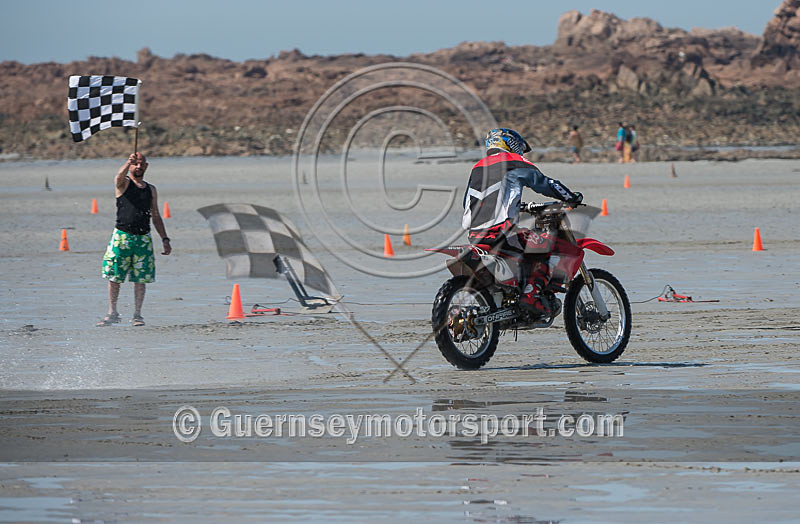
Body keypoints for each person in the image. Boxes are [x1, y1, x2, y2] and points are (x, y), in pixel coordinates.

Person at [462, 128, 583, 316]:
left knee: (524, 248)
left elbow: (472, 202)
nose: (520, 151)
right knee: (544, 247)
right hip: (500, 233)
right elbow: (544, 183)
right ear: (509, 143)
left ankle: (510, 293)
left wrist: (518, 205)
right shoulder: (512, 161)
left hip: (474, 235)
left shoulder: (478, 167)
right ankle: (530, 296)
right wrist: (571, 197)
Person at [97, 152, 171, 327]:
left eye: (141, 163)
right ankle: (112, 312)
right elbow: (117, 178)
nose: (138, 167)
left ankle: (137, 315)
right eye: (135, 164)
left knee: (141, 278)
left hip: (143, 238)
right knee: (115, 276)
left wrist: (165, 239)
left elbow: (156, 215)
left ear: (146, 166)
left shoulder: (151, 189)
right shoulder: (124, 184)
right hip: (122, 236)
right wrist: (126, 163)